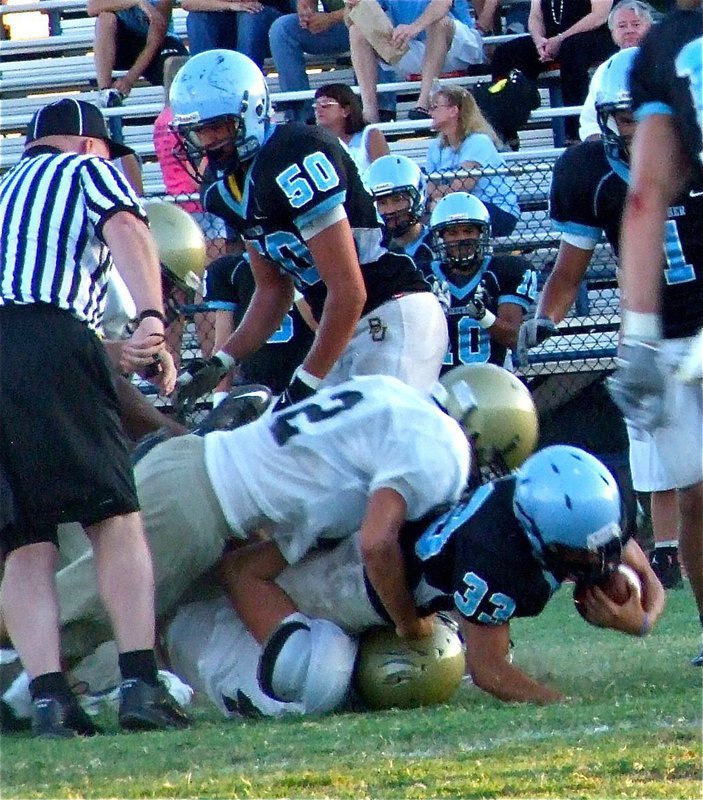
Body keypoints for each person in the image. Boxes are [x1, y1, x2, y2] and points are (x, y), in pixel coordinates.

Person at [34, 373, 471, 703]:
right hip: (195, 503)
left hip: (199, 487)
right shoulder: (438, 445)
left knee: (80, 620)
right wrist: (408, 623)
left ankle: (30, 695)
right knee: (65, 617)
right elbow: (377, 545)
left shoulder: (388, 395)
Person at [0, 98, 189, 738]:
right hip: (54, 340)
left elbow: (20, 312)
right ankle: (140, 682)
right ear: (89, 144)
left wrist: (108, 351)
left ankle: (50, 700)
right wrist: (152, 318)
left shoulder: (6, 191)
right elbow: (127, 228)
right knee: (114, 517)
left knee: (25, 542)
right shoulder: (85, 170)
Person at [209, 443, 666, 708]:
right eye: (584, 555)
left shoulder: (581, 509)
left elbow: (645, 577)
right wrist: (558, 702)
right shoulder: (497, 559)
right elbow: (489, 671)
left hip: (400, 533)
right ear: (536, 533)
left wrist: (642, 622)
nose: (601, 561)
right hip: (364, 580)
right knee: (267, 606)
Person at [168, 50, 447, 412]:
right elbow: (272, 290)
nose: (207, 141)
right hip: (340, 328)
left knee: (373, 429)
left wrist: (305, 384)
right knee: (304, 440)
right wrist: (222, 361)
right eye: (198, 130)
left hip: (392, 309)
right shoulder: (224, 186)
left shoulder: (294, 154)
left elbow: (349, 290)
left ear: (251, 112)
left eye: (218, 127)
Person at [519, 48, 697, 613]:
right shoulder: (588, 172)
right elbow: (567, 273)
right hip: (661, 340)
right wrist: (545, 317)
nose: (640, 130)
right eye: (626, 118)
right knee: (695, 494)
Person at [606, 1, 703, 666]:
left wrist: (634, 337)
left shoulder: (667, 48)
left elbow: (645, 198)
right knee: (694, 490)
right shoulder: (587, 174)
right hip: (678, 332)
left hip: (669, 335)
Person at [427, 192, 536, 372]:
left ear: (482, 234)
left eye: (468, 231)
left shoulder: (502, 271)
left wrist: (484, 316)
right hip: (437, 383)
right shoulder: (424, 276)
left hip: (491, 380)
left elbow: (512, 338)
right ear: (441, 238)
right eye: (452, 233)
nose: (461, 239)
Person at [490, 0, 617, 143]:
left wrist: (561, 38)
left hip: (592, 36)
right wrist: (539, 41)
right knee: (504, 54)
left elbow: (599, 16)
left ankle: (574, 132)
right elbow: (536, 16)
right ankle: (506, 130)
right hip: (553, 39)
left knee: (571, 50)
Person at [347, 0, 484, 124]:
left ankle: (424, 103)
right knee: (357, 30)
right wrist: (353, 7)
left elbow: (443, 4)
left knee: (439, 22)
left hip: (460, 46)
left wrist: (414, 28)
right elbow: (351, 21)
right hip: (416, 46)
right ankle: (370, 112)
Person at [204, 252, 315, 403]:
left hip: (303, 383)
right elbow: (223, 341)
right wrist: (220, 399)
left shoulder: (309, 263)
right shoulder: (234, 269)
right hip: (256, 388)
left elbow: (318, 325)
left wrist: (291, 280)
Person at [425, 84, 521, 237]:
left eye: (435, 107)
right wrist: (438, 197)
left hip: (496, 209)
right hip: (456, 207)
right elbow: (429, 189)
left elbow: (461, 187)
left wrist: (438, 197)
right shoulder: (435, 147)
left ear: (453, 110)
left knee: (448, 210)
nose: (430, 112)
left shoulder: (478, 141)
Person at [89, 0, 188, 107]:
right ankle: (105, 92)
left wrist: (129, 79)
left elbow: (155, 40)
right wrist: (137, 2)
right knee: (105, 18)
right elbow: (92, 7)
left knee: (174, 67)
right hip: (125, 41)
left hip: (161, 41)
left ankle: (176, 108)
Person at [578, 0, 654, 140]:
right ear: (613, 33)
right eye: (622, 26)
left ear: (649, 28)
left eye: (636, 24)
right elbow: (590, 122)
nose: (629, 30)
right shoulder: (604, 70)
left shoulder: (665, 63)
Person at [268, 0, 350, 124]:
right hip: (338, 28)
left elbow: (371, 8)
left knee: (370, 30)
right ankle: (301, 116)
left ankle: (380, 110)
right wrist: (306, 13)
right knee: (282, 28)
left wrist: (330, 18)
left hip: (367, 24)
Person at [365, 154, 436, 273]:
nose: (390, 210)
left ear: (417, 196)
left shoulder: (439, 245)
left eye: (398, 200)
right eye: (382, 202)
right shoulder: (370, 251)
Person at [182, 0, 293, 67]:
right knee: (197, 18)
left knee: (249, 14)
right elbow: (188, 3)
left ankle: (244, 80)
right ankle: (204, 79)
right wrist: (232, 5)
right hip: (229, 30)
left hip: (270, 30)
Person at [313, 83, 390, 177]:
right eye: (315, 106)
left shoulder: (370, 135)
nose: (318, 110)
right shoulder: (317, 143)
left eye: (325, 105)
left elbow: (385, 175)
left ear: (346, 110)